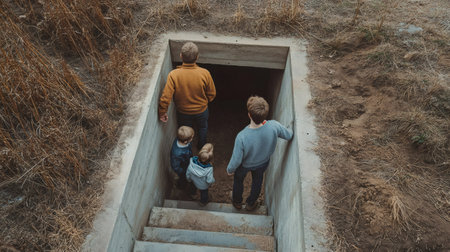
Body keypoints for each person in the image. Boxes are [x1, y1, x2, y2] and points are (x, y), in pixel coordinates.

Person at [227, 96, 293, 211]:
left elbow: (237, 159)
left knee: (238, 180)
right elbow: (288, 135)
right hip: (263, 162)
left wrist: (230, 169)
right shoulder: (274, 126)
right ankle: (251, 203)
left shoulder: (242, 136)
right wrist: (291, 126)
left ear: (249, 115)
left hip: (244, 165)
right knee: (257, 181)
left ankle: (237, 202)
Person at [158, 42, 216, 149]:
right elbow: (212, 94)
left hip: (183, 112)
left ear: (180, 56)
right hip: (202, 110)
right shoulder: (205, 73)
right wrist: (204, 101)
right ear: (197, 57)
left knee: (185, 132)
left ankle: (186, 149)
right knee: (202, 128)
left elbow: (166, 97)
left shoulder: (173, 75)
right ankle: (201, 146)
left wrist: (162, 112)